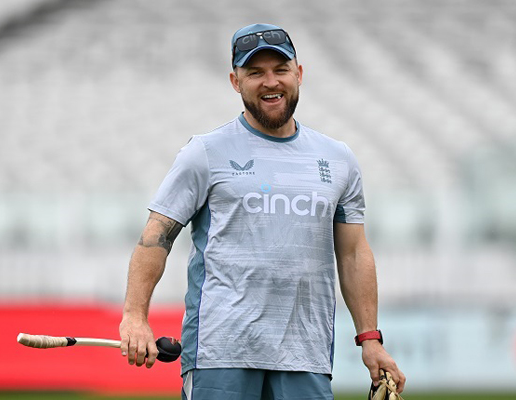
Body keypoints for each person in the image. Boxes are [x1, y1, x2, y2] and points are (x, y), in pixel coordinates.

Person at [119, 23, 406, 400]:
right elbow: (155, 237)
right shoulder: (204, 152)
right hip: (220, 353)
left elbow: (353, 253)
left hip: (306, 355)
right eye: (255, 72)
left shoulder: (338, 159)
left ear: (299, 74)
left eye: (280, 69)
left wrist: (370, 338)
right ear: (235, 81)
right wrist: (135, 316)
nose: (270, 82)